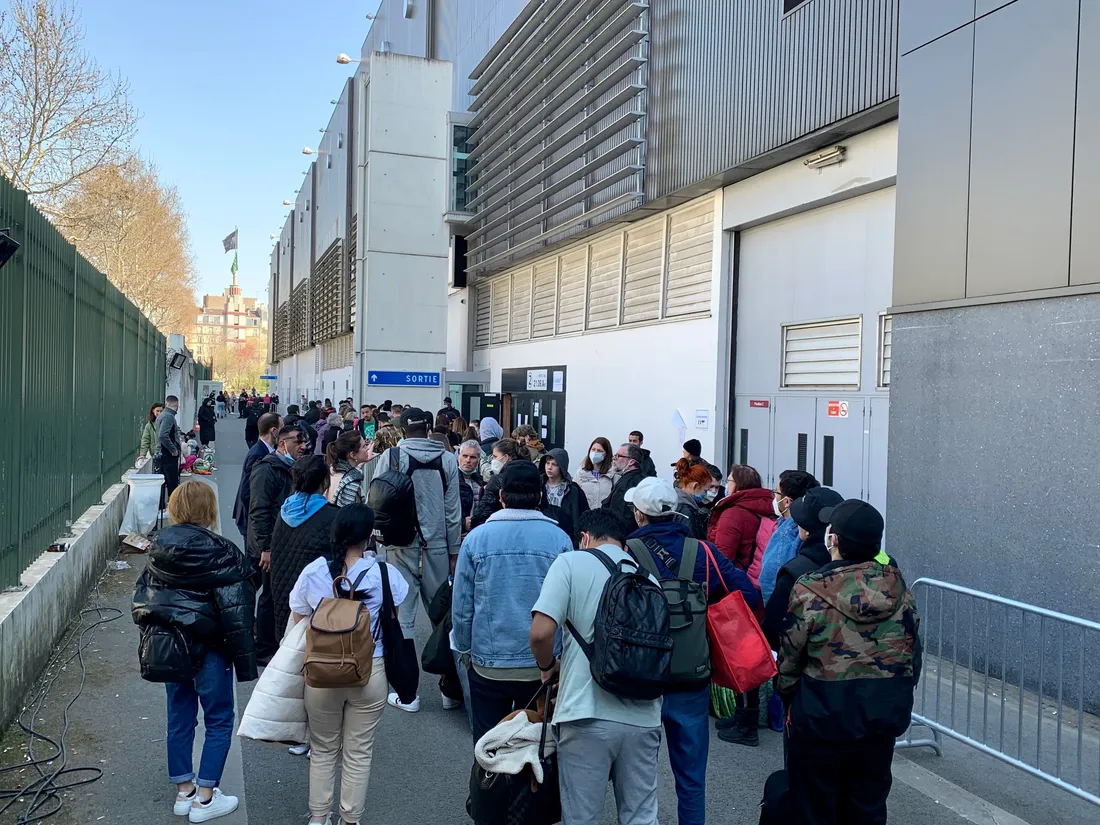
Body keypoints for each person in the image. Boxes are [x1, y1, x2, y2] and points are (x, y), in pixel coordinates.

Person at [624, 477, 760, 825]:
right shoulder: (703, 552)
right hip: (691, 677)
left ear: (639, 515)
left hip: (639, 681)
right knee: (691, 780)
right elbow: (749, 593)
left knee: (635, 780)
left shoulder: (626, 554)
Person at [779, 499, 921, 825]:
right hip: (880, 717)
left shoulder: (810, 589)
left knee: (813, 809)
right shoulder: (899, 587)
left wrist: (788, 698)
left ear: (834, 541)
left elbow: (790, 658)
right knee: (867, 808)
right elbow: (914, 655)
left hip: (820, 716)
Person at [131, 481, 256, 823]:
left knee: (180, 715)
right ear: (209, 510)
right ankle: (206, 796)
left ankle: (183, 790)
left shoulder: (158, 549)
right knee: (218, 719)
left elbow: (143, 599)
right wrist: (247, 661)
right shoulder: (223, 551)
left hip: (171, 646)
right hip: (211, 648)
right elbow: (238, 612)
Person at [529, 509, 663, 825]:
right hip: (644, 715)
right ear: (624, 544)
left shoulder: (570, 563)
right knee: (641, 816)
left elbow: (540, 633)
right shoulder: (648, 577)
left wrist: (548, 666)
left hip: (585, 712)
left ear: (585, 537)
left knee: (582, 817)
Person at [289, 504, 408, 825]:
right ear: (369, 537)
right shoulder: (386, 574)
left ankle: (318, 818)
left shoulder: (314, 572)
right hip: (370, 670)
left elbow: (299, 619)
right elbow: (394, 618)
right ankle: (350, 819)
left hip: (321, 672)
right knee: (358, 752)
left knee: (323, 749)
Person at [451, 461, 571, 741]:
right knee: (538, 746)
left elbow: (462, 606)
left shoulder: (477, 539)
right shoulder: (560, 540)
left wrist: (465, 650)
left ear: (502, 496)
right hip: (543, 665)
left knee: (488, 745)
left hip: (489, 662)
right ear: (540, 496)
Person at [375, 408, 462, 712]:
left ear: (402, 430)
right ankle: (451, 690)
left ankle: (408, 695)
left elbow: (378, 501)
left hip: (400, 546)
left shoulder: (392, 457)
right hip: (438, 546)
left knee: (403, 620)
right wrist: (453, 552)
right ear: (427, 429)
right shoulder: (448, 459)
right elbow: (454, 512)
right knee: (444, 617)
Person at [247, 426, 308, 662]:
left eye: (305, 441)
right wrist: (266, 547)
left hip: (284, 543)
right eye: (298, 441)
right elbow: (259, 510)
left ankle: (275, 643)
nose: (303, 446)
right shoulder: (267, 468)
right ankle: (264, 648)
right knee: (270, 596)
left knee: (280, 594)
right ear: (282, 443)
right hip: (269, 545)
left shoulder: (290, 467)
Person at [757, 469, 821, 603]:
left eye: (776, 493)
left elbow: (769, 579)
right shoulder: (816, 523)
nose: (774, 498)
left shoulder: (788, 533)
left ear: (787, 502)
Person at [707, 465, 772, 572]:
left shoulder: (732, 514)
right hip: (754, 573)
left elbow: (723, 556)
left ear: (738, 484)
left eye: (728, 481)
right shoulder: (764, 505)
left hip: (735, 576)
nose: (726, 485)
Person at [232, 412, 282, 539]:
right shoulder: (258, 454)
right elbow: (247, 490)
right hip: (252, 520)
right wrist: (257, 518)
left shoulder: (263, 450)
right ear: (274, 431)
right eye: (282, 429)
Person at [468, 438, 526, 529]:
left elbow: (484, 510)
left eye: (495, 456)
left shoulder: (497, 480)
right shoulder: (528, 476)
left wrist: (472, 522)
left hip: (497, 526)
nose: (492, 460)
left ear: (506, 458)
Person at [539, 449, 589, 548]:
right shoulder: (538, 486)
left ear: (562, 466)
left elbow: (583, 516)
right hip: (542, 536)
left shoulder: (573, 490)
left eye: (554, 464)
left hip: (566, 537)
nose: (549, 467)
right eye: (547, 463)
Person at [601, 443, 647, 527]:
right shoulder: (643, 480)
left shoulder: (627, 483)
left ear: (631, 462)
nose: (614, 459)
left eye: (618, 456)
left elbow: (620, 515)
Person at [673, 462, 721, 540]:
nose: (707, 493)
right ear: (695, 486)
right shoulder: (686, 511)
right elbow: (691, 543)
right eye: (705, 490)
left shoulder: (677, 501)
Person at [327, 431, 370, 507]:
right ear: (353, 455)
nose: (368, 448)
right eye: (364, 446)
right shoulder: (350, 482)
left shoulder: (333, 470)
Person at [457, 440, 486, 535]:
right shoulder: (451, 481)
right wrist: (461, 523)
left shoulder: (481, 482)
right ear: (458, 457)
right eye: (465, 456)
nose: (468, 460)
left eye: (472, 457)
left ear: (478, 460)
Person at [576, 437, 614, 510]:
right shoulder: (581, 472)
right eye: (593, 450)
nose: (595, 453)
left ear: (606, 454)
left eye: (599, 451)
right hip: (585, 516)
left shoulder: (612, 474)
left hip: (605, 516)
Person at [156, 396, 182, 499]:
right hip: (167, 455)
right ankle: (173, 506)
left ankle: (162, 507)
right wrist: (173, 450)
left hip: (162, 453)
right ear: (176, 405)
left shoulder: (163, 415)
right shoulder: (169, 417)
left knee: (163, 482)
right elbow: (163, 435)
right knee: (172, 482)